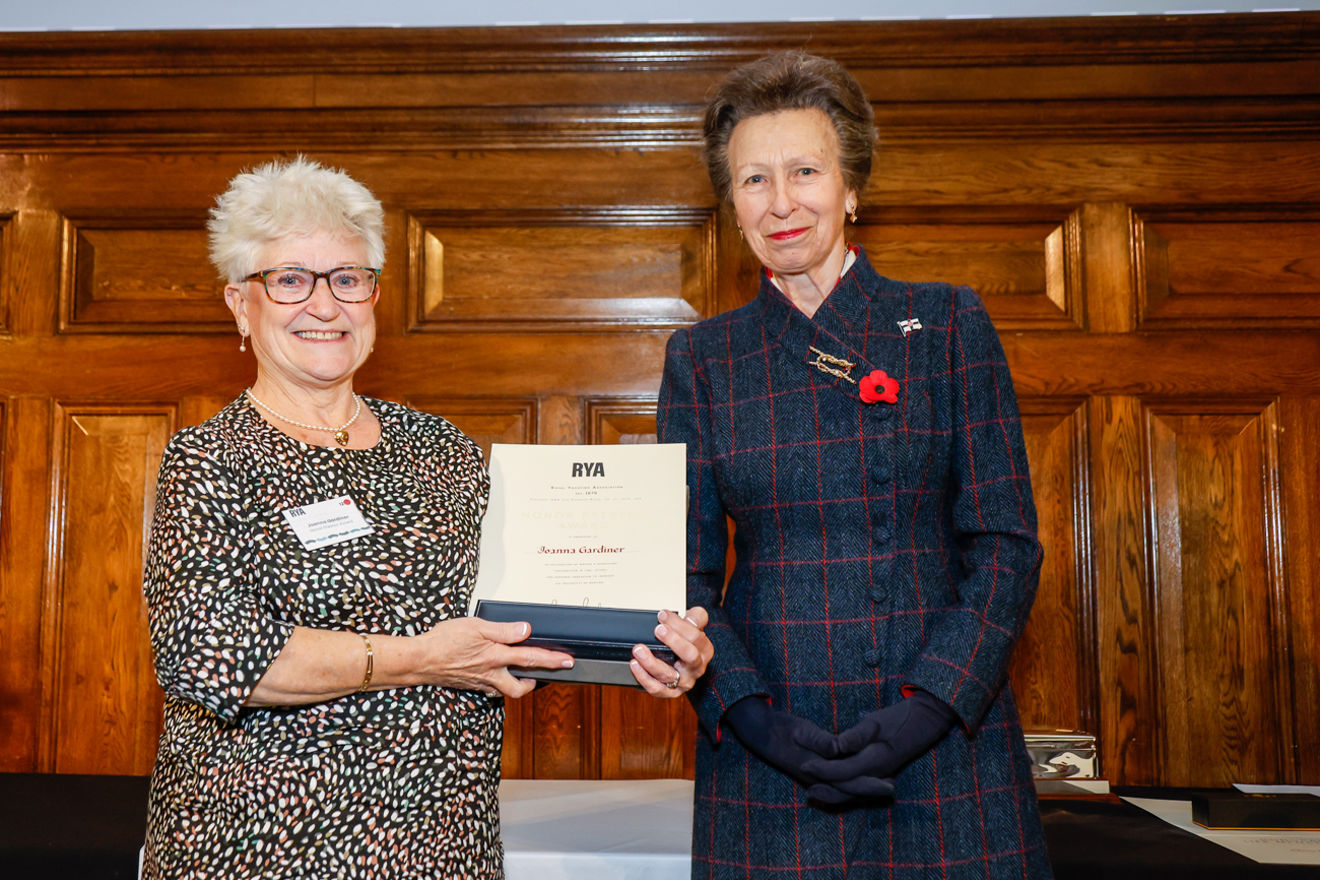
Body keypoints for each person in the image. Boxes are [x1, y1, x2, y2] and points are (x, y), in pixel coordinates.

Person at [141, 156, 713, 879]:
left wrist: (648, 648)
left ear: (373, 295)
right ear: (239, 304)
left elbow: (514, 618)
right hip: (265, 846)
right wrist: (422, 657)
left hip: (443, 844)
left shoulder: (439, 448)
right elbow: (210, 654)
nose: (325, 305)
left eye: (348, 278)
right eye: (289, 279)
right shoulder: (208, 459)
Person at [658, 51, 1052, 879]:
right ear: (732, 207)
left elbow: (1006, 545)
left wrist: (930, 705)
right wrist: (750, 713)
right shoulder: (703, 358)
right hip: (769, 754)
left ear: (851, 188)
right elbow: (681, 575)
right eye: (754, 180)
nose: (781, 201)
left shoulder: (946, 323)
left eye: (805, 171)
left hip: (946, 741)